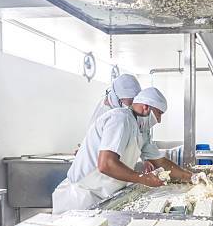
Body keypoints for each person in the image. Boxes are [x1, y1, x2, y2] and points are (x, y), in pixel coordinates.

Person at [52, 87, 196, 213]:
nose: (159, 120)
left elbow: (161, 162)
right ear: (146, 107)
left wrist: (190, 177)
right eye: (159, 113)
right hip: (81, 198)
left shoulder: (142, 130)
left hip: (104, 196)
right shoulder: (120, 119)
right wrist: (143, 178)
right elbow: (106, 164)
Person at [80, 73, 155, 173]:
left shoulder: (135, 112)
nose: (132, 106)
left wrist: (146, 158)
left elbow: (142, 136)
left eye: (135, 101)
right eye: (129, 102)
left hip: (120, 171)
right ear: (117, 98)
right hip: (97, 175)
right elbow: (101, 156)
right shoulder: (103, 113)